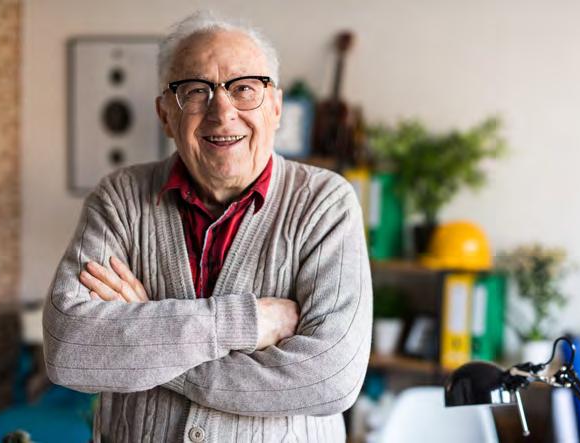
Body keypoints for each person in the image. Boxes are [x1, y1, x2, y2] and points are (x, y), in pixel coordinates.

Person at [43, 11, 372, 443]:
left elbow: (330, 380)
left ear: (275, 108)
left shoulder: (325, 203)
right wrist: (248, 324)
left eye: (244, 88)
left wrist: (147, 346)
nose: (222, 111)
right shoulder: (119, 197)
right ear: (165, 114)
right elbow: (69, 351)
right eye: (196, 91)